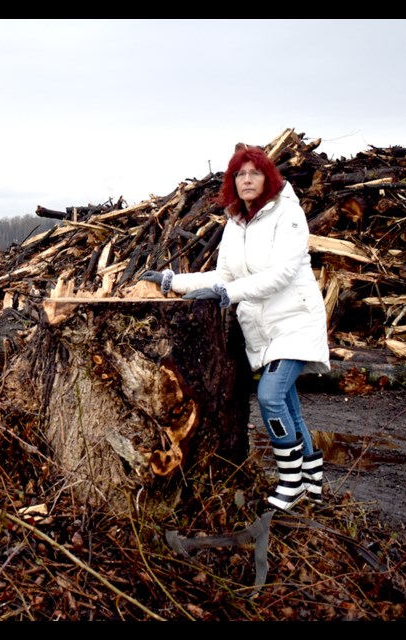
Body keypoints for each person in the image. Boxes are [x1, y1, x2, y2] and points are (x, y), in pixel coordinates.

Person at [140, 144, 330, 511]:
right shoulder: (235, 222)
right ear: (233, 181)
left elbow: (281, 274)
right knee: (289, 405)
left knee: (271, 397)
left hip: (293, 322)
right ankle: (311, 484)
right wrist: (172, 281)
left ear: (267, 178)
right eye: (240, 174)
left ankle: (289, 485)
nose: (246, 180)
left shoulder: (287, 215)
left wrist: (226, 292)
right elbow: (223, 275)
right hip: (263, 328)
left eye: (253, 173)